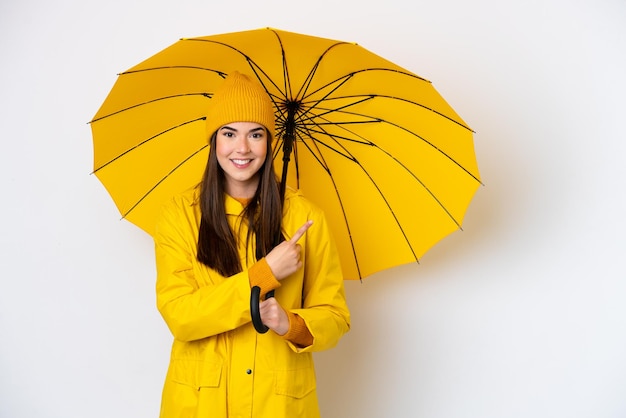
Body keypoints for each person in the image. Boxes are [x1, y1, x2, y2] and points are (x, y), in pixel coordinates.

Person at [154, 71, 350, 418]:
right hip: (202, 403)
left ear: (270, 143)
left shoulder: (305, 217)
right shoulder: (179, 215)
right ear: (214, 141)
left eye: (255, 134)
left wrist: (290, 323)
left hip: (278, 403)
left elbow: (335, 317)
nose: (242, 148)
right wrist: (265, 273)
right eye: (229, 133)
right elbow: (180, 315)